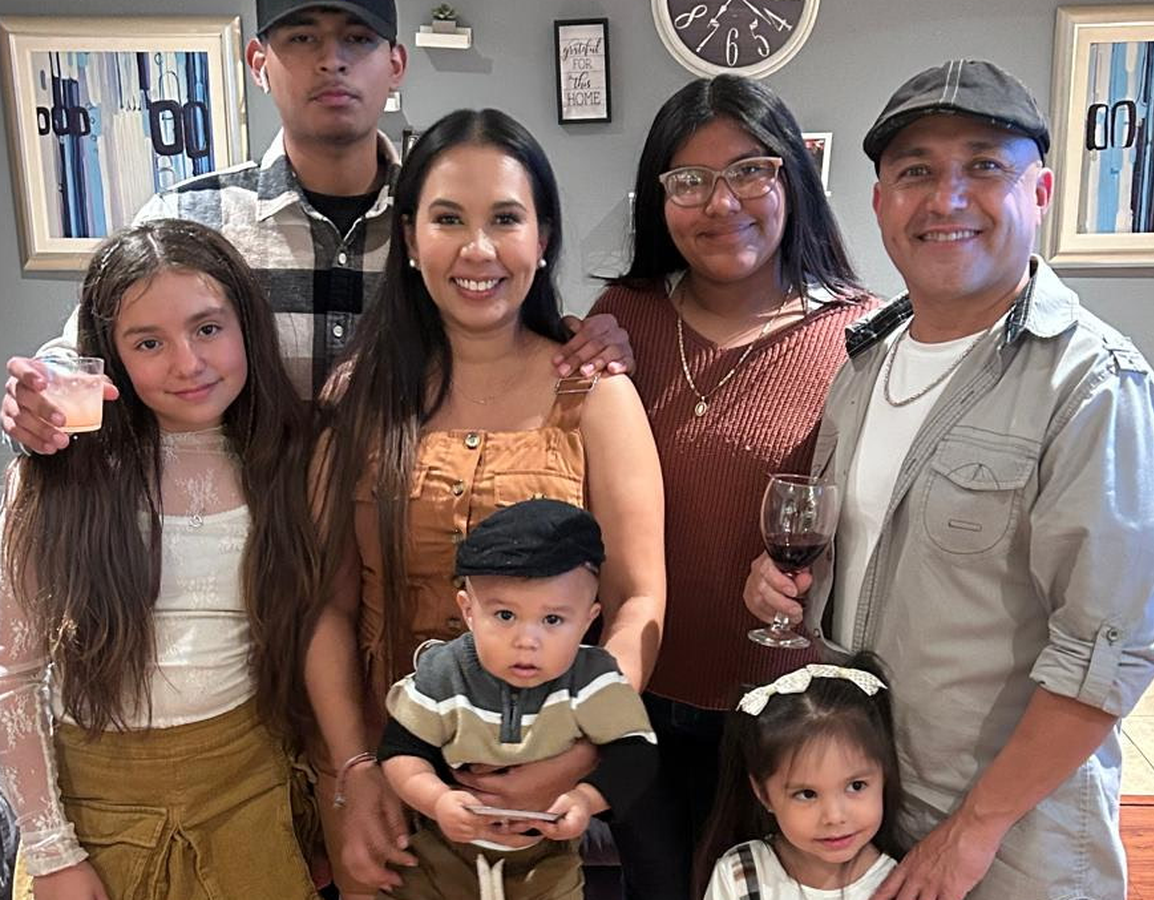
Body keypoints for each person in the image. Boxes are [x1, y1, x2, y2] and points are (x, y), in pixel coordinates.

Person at [743, 60, 1154, 900]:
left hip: (1009, 839)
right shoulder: (864, 367)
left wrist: (975, 829)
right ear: (881, 204)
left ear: (1040, 192)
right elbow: (872, 560)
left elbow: (1109, 650)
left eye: (983, 166)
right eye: (917, 172)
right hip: (868, 809)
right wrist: (791, 588)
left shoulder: (1092, 386)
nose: (946, 199)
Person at [306, 108, 666, 898]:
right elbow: (327, 606)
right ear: (409, 238)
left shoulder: (596, 395)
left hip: (542, 788)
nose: (478, 249)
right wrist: (357, 771)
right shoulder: (359, 403)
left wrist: (579, 752)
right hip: (386, 785)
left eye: (505, 219)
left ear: (544, 237)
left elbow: (637, 600)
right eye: (448, 219)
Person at [2, 0, 629, 450]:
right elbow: (82, 355)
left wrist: (590, 343)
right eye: (302, 38)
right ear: (258, 61)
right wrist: (39, 396)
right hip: (235, 553)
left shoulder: (441, 228)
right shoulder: (189, 218)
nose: (332, 61)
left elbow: (517, 340)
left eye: (358, 38)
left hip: (402, 545)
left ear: (396, 63)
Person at [589, 74, 877, 899]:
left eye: (751, 170)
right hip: (636, 694)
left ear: (794, 177)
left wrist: (815, 576)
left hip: (789, 718)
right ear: (659, 199)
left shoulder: (861, 335)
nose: (722, 203)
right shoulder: (621, 318)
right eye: (690, 180)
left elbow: (883, 524)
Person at [0, 219, 319, 899]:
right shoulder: (54, 477)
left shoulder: (289, 460)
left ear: (246, 326)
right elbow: (12, 677)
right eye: (149, 343)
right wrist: (52, 852)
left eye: (208, 328)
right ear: (110, 359)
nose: (188, 363)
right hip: (93, 811)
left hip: (250, 794)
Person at [378, 499, 658, 899]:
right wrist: (437, 799)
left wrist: (585, 799)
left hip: (546, 863)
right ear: (468, 610)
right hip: (442, 858)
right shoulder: (445, 673)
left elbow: (636, 754)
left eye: (553, 619)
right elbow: (399, 750)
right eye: (505, 616)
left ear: (588, 619)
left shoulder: (593, 680)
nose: (527, 641)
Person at [696, 655, 905, 900]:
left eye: (856, 786)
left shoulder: (904, 884)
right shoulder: (740, 874)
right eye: (807, 794)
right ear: (763, 794)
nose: (834, 817)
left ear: (884, 775)